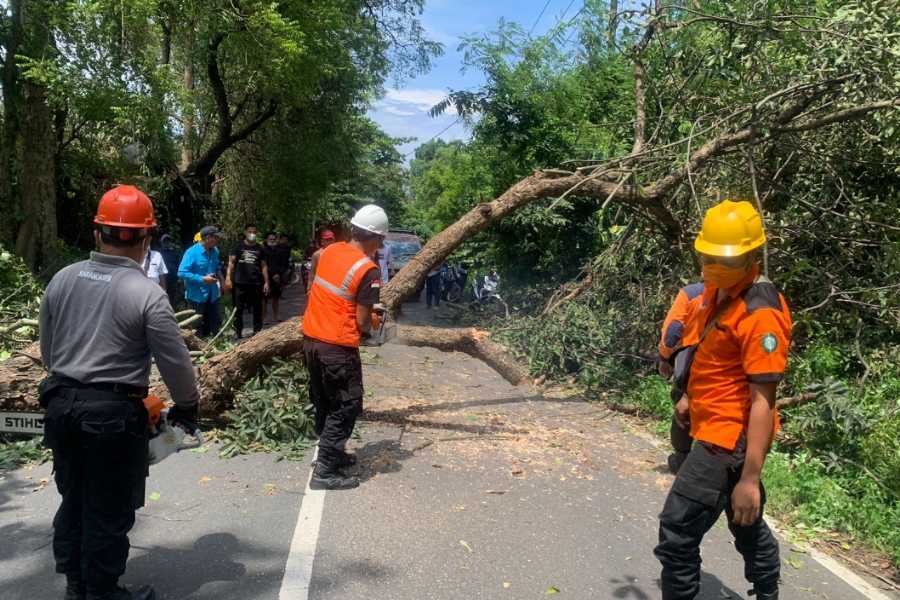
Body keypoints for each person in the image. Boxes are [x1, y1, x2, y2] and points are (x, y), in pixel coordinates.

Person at [39, 185, 200, 600]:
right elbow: (175, 362)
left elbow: (48, 349)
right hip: (111, 417)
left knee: (73, 497)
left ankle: (77, 584)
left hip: (61, 405)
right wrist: (188, 406)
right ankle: (102, 591)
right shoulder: (146, 292)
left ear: (98, 233)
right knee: (108, 508)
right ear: (146, 239)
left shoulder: (62, 279)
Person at [654, 200, 791, 600]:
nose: (712, 264)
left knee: (677, 531)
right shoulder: (719, 292)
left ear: (751, 256)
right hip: (714, 428)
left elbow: (763, 398)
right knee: (745, 523)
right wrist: (688, 400)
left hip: (726, 440)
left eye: (722, 258)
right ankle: (768, 594)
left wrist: (749, 478)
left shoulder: (760, 310)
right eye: (708, 256)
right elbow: (710, 359)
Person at [301, 205, 387, 490]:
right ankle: (325, 469)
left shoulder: (329, 252)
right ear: (377, 238)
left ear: (353, 230)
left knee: (325, 401)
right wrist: (374, 321)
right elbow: (363, 321)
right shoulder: (368, 269)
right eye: (381, 241)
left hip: (312, 340)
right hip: (337, 346)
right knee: (347, 405)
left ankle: (332, 454)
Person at [657, 281, 704, 474]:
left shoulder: (690, 293)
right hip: (723, 359)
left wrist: (664, 357)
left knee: (683, 408)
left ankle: (682, 458)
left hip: (691, 355)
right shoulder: (740, 293)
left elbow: (673, 330)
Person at [226, 224, 269, 340]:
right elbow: (231, 263)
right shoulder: (238, 247)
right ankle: (238, 331)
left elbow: (264, 266)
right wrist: (228, 278)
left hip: (256, 283)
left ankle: (257, 331)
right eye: (250, 231)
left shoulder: (260, 248)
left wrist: (266, 282)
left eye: (254, 232)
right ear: (245, 232)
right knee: (238, 309)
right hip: (239, 283)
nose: (252, 234)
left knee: (257, 308)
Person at [178, 225, 222, 337]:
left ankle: (216, 348)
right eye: (216, 237)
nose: (218, 240)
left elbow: (217, 267)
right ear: (207, 238)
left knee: (215, 324)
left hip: (213, 295)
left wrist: (223, 281)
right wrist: (202, 279)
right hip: (196, 297)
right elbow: (182, 272)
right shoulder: (191, 252)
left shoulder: (215, 251)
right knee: (197, 329)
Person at [263, 232, 291, 322]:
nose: (272, 241)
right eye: (270, 239)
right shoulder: (263, 250)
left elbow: (283, 263)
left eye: (274, 239)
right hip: (265, 277)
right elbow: (264, 264)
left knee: (276, 297)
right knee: (264, 298)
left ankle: (276, 315)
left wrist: (279, 274)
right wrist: (272, 274)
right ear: (266, 240)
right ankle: (264, 317)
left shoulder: (280, 250)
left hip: (277, 277)